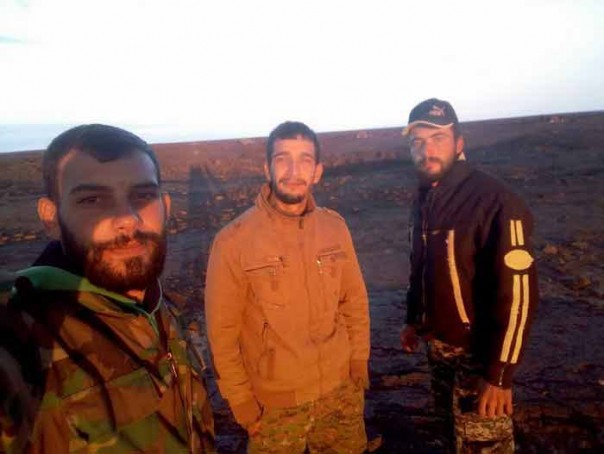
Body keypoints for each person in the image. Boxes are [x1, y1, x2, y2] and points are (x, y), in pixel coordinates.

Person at [0, 124, 214, 453]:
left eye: (142, 195)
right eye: (92, 199)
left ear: (166, 207)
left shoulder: (163, 309)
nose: (127, 218)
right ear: (51, 218)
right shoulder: (26, 337)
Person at [205, 121, 370, 453]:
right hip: (275, 405)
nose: (294, 171)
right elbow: (222, 333)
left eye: (305, 160)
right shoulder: (233, 241)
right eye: (283, 159)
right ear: (267, 168)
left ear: (317, 171)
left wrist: (358, 362)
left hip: (340, 392)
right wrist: (241, 401)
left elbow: (354, 300)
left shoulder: (334, 228)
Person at [399, 99, 538, 453]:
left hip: (480, 356)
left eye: (438, 138)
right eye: (417, 141)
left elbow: (518, 296)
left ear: (459, 143)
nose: (426, 150)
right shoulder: (425, 198)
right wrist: (415, 318)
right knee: (450, 437)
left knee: (484, 446)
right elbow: (422, 264)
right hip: (439, 350)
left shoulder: (496, 201)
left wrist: (500, 375)